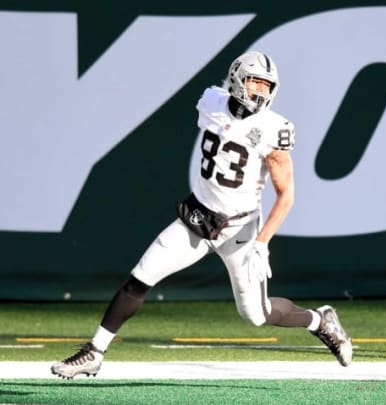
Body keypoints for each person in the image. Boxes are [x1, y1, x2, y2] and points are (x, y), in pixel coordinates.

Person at [51, 51, 352, 379]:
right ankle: (94, 352)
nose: (260, 91)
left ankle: (320, 321)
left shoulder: (273, 128)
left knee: (256, 314)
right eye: (254, 82)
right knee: (139, 278)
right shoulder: (211, 101)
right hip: (197, 220)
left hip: (240, 230)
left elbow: (286, 196)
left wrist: (262, 243)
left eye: (267, 86)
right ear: (237, 78)